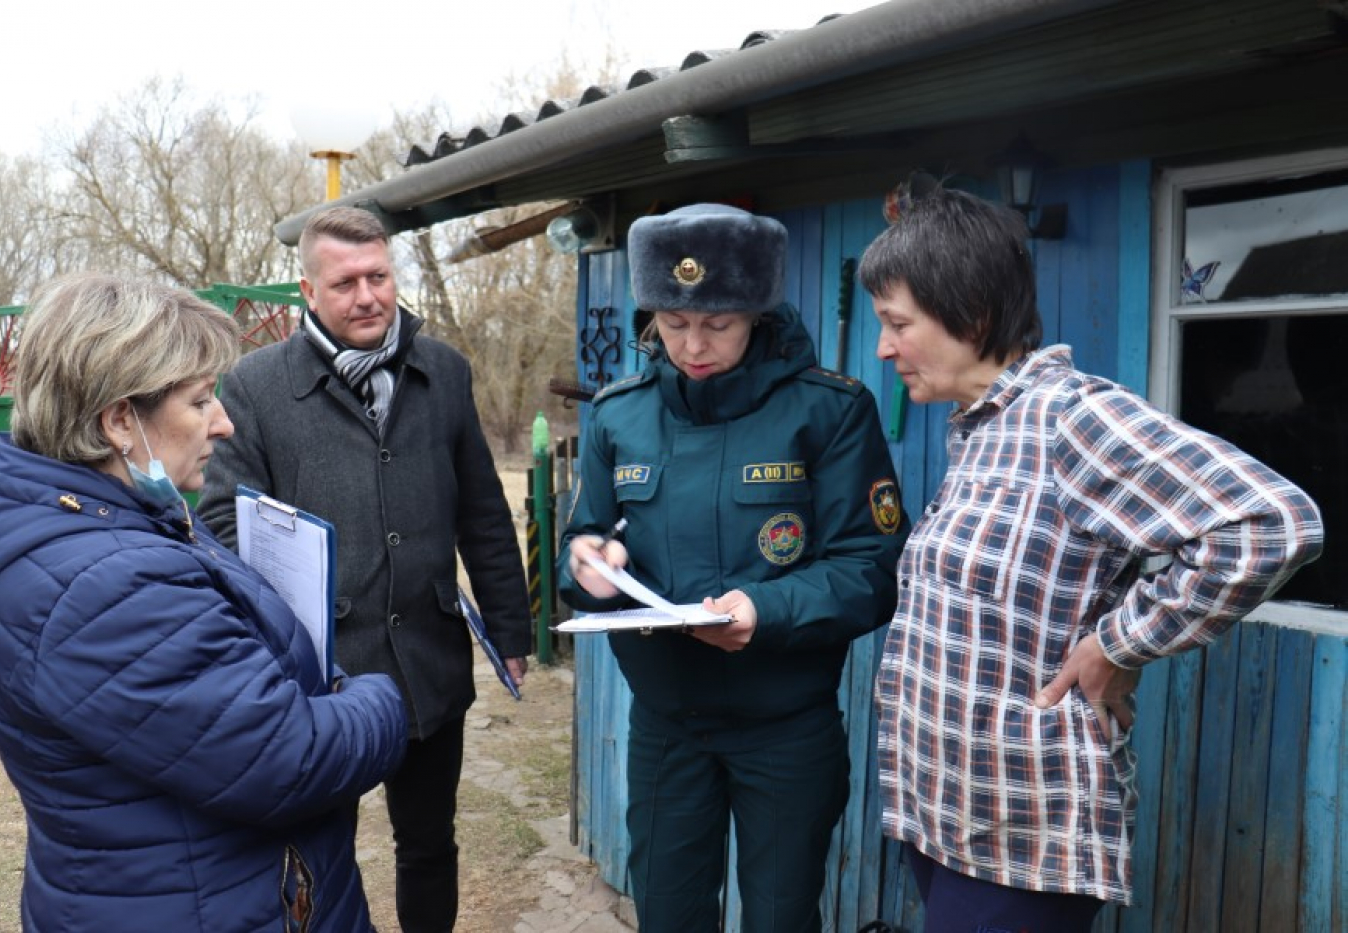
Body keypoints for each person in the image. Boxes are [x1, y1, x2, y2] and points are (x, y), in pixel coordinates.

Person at [859, 188, 1325, 932]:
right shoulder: (981, 431)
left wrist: (1119, 642)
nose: (883, 348)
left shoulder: (1070, 418)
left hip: (1023, 828)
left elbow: (1271, 522)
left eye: (896, 324)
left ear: (971, 313)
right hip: (948, 809)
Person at [0, 273, 408, 931]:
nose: (222, 422)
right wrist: (381, 697)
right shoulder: (101, 584)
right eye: (199, 401)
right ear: (119, 421)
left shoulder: (114, 524)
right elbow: (287, 756)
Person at [558, 202, 908, 932]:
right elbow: (588, 534)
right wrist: (587, 562)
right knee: (668, 913)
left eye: (717, 323)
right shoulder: (619, 414)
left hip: (784, 727)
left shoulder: (830, 411)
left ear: (758, 310)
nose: (693, 344)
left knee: (781, 917)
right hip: (666, 726)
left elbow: (869, 569)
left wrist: (766, 610)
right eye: (674, 323)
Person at [197, 204, 532, 933]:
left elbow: (481, 510)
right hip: (318, 677)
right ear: (308, 292)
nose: (368, 295)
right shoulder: (254, 387)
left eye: (378, 275)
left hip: (428, 663)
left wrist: (510, 626)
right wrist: (285, 627)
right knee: (318, 850)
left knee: (428, 845)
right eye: (345, 282)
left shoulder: (443, 370)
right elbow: (221, 523)